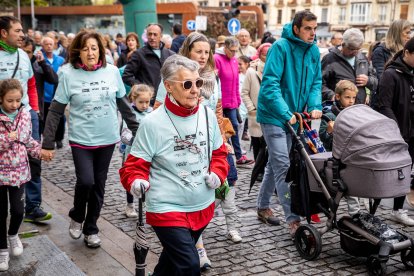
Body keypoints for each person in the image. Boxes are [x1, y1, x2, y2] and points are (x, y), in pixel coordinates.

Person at [119, 55, 229, 275]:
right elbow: (133, 167)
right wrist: (136, 181)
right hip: (167, 208)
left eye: (198, 83)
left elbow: (219, 152)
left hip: (202, 205)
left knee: (170, 263)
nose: (195, 90)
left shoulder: (207, 115)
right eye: (187, 84)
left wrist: (218, 172)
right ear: (168, 86)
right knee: (189, 265)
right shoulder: (152, 122)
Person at [41, 30, 139, 248]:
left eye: (94, 48)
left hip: (107, 138)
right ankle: (77, 215)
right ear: (78, 52)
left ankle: (91, 228)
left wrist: (138, 130)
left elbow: (123, 104)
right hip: (81, 140)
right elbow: (56, 110)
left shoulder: (112, 72)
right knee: (86, 181)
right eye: (85, 49)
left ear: (101, 51)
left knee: (99, 186)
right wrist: (48, 143)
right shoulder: (67, 73)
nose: (90, 52)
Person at [256, 10, 322, 236]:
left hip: (295, 116)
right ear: (296, 28)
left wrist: (314, 106)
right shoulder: (280, 47)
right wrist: (285, 112)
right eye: (307, 28)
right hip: (274, 114)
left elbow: (316, 83)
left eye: (315, 28)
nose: (312, 33)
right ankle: (293, 219)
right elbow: (270, 85)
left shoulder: (313, 50)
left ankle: (263, 206)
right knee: (283, 166)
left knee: (274, 163)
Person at [0, 16, 52, 223]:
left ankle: (32, 206)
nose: (23, 35)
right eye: (18, 30)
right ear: (4, 33)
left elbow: (30, 84)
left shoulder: (23, 55)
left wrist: (34, 110)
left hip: (26, 115)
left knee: (33, 159)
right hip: (2, 119)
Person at [0, 79, 47, 271]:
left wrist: (41, 152)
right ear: (1, 99)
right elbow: (8, 140)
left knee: (18, 211)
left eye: (17, 100)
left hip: (19, 172)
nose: (14, 105)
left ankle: (13, 235)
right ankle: (2, 251)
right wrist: (8, 139)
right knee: (1, 213)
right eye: (10, 101)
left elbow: (28, 140)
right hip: (1, 174)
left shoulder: (25, 114)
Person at [377, 37, 414, 225]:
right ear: (407, 53)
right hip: (398, 132)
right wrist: (396, 130)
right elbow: (384, 106)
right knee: (393, 172)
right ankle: (382, 210)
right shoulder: (391, 74)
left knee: (407, 172)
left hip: (411, 130)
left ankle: (399, 208)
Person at [319, 80, 362, 216]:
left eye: (353, 98)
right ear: (338, 96)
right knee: (342, 188)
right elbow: (323, 140)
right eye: (347, 97)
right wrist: (330, 131)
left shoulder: (354, 114)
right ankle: (350, 214)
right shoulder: (328, 115)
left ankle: (356, 214)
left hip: (349, 157)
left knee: (353, 188)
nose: (351, 101)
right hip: (334, 159)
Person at [214, 37, 254, 166]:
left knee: (234, 127)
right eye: (231, 50)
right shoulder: (217, 59)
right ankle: (226, 153)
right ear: (225, 48)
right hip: (219, 101)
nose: (234, 53)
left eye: (236, 51)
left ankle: (238, 155)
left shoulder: (234, 60)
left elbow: (236, 83)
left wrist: (237, 100)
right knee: (221, 129)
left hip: (231, 102)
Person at [120, 84, 154, 218]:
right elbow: (124, 135)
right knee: (132, 178)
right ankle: (130, 204)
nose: (145, 105)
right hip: (132, 153)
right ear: (133, 100)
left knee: (148, 178)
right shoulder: (130, 114)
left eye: (147, 102)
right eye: (141, 102)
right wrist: (137, 138)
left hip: (149, 153)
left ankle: (148, 205)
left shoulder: (152, 112)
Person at [122, 23, 175, 105]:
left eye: (155, 34)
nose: (152, 37)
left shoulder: (170, 54)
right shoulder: (139, 54)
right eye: (149, 34)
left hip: (168, 100)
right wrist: (142, 88)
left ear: (161, 36)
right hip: (147, 103)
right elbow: (126, 76)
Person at [322, 28, 377, 105]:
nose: (355, 52)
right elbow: (319, 84)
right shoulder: (329, 59)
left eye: (358, 49)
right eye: (351, 49)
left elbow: (376, 81)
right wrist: (331, 96)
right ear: (343, 44)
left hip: (359, 108)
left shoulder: (363, 58)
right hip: (338, 109)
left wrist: (368, 81)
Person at [241, 43, 271, 160]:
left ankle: (266, 172)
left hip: (272, 114)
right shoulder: (251, 71)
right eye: (264, 55)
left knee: (270, 145)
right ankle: (258, 173)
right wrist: (251, 108)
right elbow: (244, 92)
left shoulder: (277, 68)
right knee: (257, 144)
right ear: (259, 54)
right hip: (256, 114)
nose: (267, 57)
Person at [41, 36, 65, 149]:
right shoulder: (41, 59)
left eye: (51, 44)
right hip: (45, 95)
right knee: (46, 119)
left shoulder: (60, 60)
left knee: (60, 118)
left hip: (58, 94)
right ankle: (48, 138)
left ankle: (59, 138)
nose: (49, 46)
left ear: (54, 45)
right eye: (46, 44)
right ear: (42, 46)